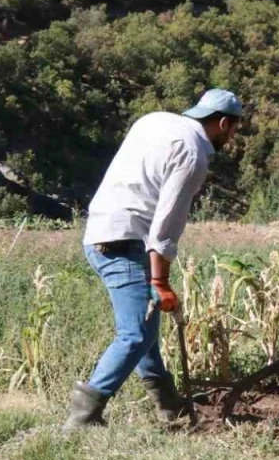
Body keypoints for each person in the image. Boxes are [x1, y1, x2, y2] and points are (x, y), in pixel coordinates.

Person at [65, 88, 243, 429]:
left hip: (101, 232)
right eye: (234, 129)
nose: (232, 136)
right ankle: (83, 415)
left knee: (145, 330)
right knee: (135, 334)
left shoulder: (155, 120)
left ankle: (170, 405)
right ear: (223, 123)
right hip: (125, 240)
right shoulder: (193, 153)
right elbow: (165, 225)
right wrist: (160, 280)